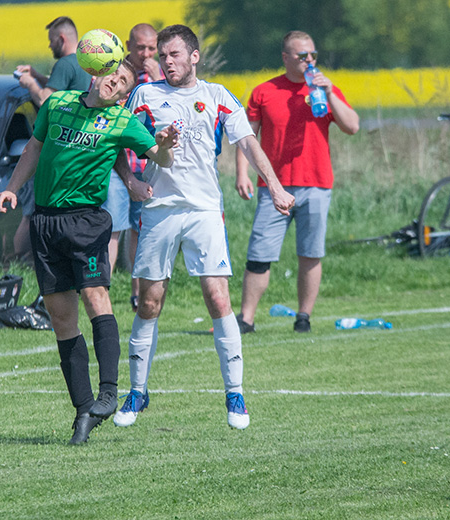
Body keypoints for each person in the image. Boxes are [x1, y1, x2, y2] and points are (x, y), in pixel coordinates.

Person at [113, 25, 295, 431]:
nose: (167, 61)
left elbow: (248, 143)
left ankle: (235, 393)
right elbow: (113, 140)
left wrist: (276, 185)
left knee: (217, 297)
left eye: (175, 54)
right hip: (159, 211)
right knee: (149, 302)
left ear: (194, 56)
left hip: (205, 212)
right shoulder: (145, 96)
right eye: (162, 56)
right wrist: (131, 182)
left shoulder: (215, 96)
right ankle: (137, 392)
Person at [0, 60, 178, 445]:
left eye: (124, 82)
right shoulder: (57, 104)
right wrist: (13, 187)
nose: (115, 82)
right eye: (113, 74)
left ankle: (109, 393)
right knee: (62, 320)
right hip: (46, 222)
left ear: (125, 95)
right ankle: (83, 410)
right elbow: (33, 148)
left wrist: (162, 147)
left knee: (96, 297)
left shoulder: (120, 121)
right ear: (96, 73)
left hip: (87, 221)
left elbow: (160, 159)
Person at [235, 31, 359, 334]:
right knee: (259, 255)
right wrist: (242, 173)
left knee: (310, 253)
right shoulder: (264, 91)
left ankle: (303, 317)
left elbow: (352, 126)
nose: (309, 61)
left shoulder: (322, 89)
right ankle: (246, 319)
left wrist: (329, 91)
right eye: (302, 55)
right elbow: (245, 137)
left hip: (316, 184)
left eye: (312, 55)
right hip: (273, 188)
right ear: (285, 57)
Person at [13, 16, 93, 261]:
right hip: (81, 148)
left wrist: (29, 84)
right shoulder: (86, 64)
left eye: (51, 42)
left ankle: (15, 259)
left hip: (54, 148)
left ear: (62, 39)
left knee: (31, 212)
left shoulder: (64, 65)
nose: (49, 47)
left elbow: (48, 101)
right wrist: (38, 75)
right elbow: (65, 90)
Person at [101, 23, 161, 310]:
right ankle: (103, 288)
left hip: (145, 163)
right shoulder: (117, 73)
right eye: (141, 48)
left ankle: (138, 291)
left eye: (152, 48)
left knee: (141, 227)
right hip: (116, 161)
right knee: (112, 224)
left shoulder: (161, 77)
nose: (146, 53)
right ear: (129, 45)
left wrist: (157, 76)